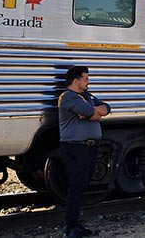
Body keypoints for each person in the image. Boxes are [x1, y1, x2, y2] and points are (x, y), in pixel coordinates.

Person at [59, 65, 111, 238]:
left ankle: (77, 225)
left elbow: (107, 108)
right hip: (75, 148)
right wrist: (95, 113)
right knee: (76, 187)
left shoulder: (87, 96)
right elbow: (94, 114)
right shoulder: (68, 97)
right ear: (76, 81)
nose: (88, 82)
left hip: (88, 148)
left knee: (82, 187)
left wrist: (95, 112)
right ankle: (71, 228)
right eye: (86, 79)